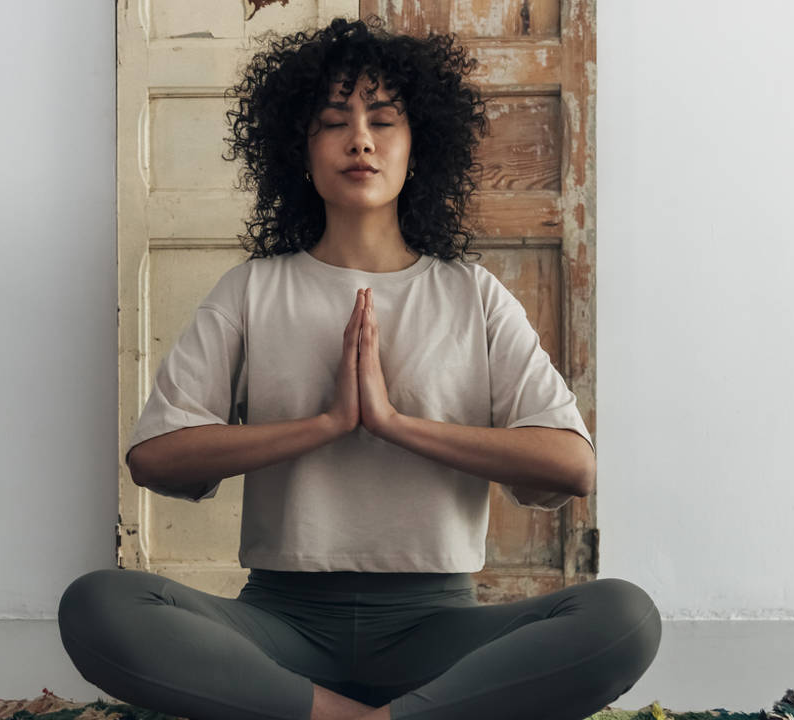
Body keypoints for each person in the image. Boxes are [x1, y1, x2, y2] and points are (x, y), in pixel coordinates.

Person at [58, 16, 661, 720]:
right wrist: (327, 423)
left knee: (625, 616)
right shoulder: (253, 289)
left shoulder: (471, 294)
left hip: (440, 633)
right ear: (300, 149)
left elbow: (572, 464)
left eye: (383, 120)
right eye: (334, 121)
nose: (361, 139)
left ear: (418, 147)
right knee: (99, 604)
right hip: (279, 629)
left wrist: (394, 424)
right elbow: (156, 457)